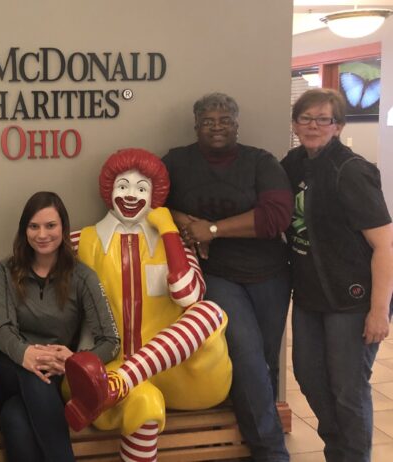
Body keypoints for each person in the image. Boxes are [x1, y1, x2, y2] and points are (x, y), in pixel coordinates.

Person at [64, 148, 231, 462]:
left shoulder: (175, 243)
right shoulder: (82, 241)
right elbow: (24, 266)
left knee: (209, 311)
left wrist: (168, 230)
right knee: (144, 401)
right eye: (123, 186)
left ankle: (122, 381)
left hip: (182, 374)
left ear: (156, 197)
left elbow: (188, 296)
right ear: (109, 191)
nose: (131, 195)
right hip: (104, 373)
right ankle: (121, 383)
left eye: (142, 189)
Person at [161, 92, 292, 461]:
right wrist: (183, 221)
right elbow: (148, 198)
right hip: (218, 275)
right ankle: (271, 452)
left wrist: (214, 229)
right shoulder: (178, 161)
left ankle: (250, 438)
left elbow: (277, 216)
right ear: (196, 126)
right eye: (208, 121)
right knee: (247, 356)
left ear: (236, 125)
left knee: (265, 361)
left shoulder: (260, 161)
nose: (216, 127)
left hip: (270, 275)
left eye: (224, 121)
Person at [282, 88, 393, 462]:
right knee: (309, 377)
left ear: (338, 125)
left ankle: (352, 456)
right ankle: (337, 450)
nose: (313, 126)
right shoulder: (294, 164)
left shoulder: (351, 171)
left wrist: (379, 311)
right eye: (305, 118)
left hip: (352, 300)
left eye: (323, 119)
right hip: (310, 297)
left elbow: (385, 246)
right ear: (295, 124)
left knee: (348, 389)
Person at [0, 191, 120, 462]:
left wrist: (75, 362)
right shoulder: (6, 270)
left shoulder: (82, 276)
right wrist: (27, 354)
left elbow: (111, 341)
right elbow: (2, 328)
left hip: (57, 376)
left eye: (50, 225)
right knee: (33, 372)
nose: (42, 234)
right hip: (12, 368)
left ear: (63, 228)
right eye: (34, 226)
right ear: (24, 230)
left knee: (14, 419)